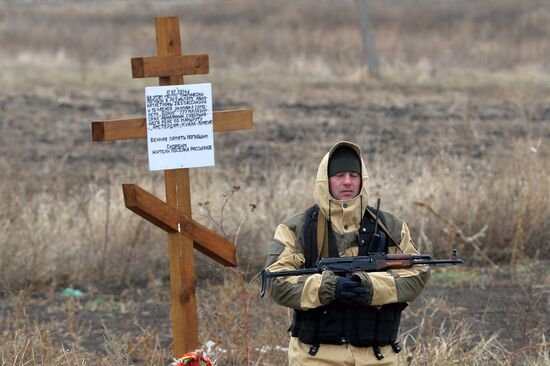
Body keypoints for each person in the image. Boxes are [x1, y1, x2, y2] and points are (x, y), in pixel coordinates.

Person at [264, 141, 430, 366]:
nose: (347, 182)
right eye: (339, 175)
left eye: (354, 174)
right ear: (325, 180)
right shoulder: (297, 228)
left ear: (363, 179)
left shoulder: (390, 227)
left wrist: (370, 286)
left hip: (378, 357)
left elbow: (418, 273)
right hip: (316, 357)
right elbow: (278, 282)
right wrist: (327, 288)